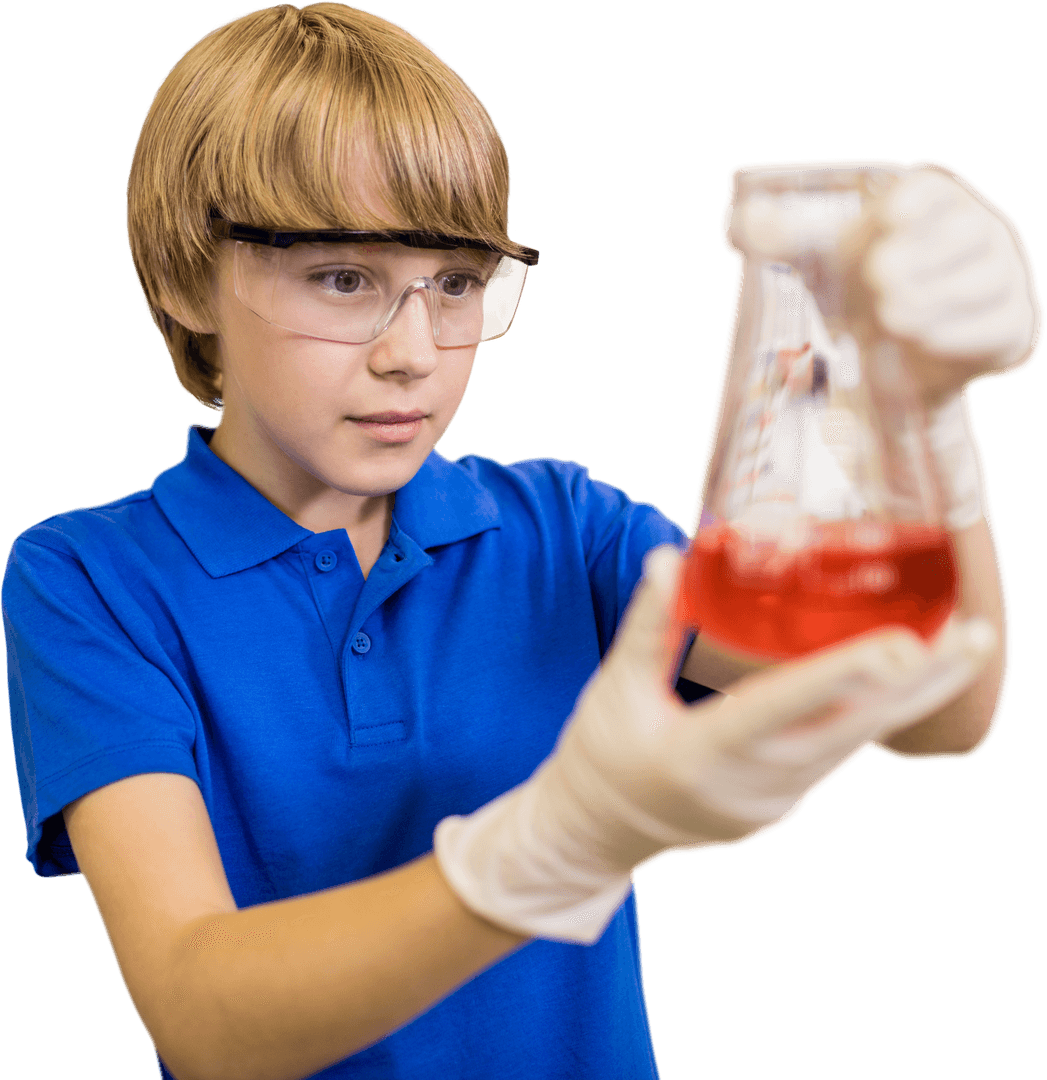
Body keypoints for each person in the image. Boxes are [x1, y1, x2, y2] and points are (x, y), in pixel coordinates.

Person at [1, 5, 1040, 1080]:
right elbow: (200, 1019)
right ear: (182, 278)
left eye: (455, 284)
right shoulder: (90, 581)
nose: (413, 354)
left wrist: (924, 406)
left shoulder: (561, 534)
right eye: (343, 280)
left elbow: (938, 711)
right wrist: (546, 849)